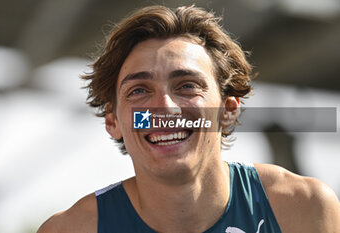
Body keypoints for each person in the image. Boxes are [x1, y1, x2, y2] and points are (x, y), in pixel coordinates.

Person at [37, 5, 340, 233]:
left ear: (227, 111)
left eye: (186, 86)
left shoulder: (302, 209)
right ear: (113, 122)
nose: (165, 109)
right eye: (139, 90)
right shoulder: (73, 229)